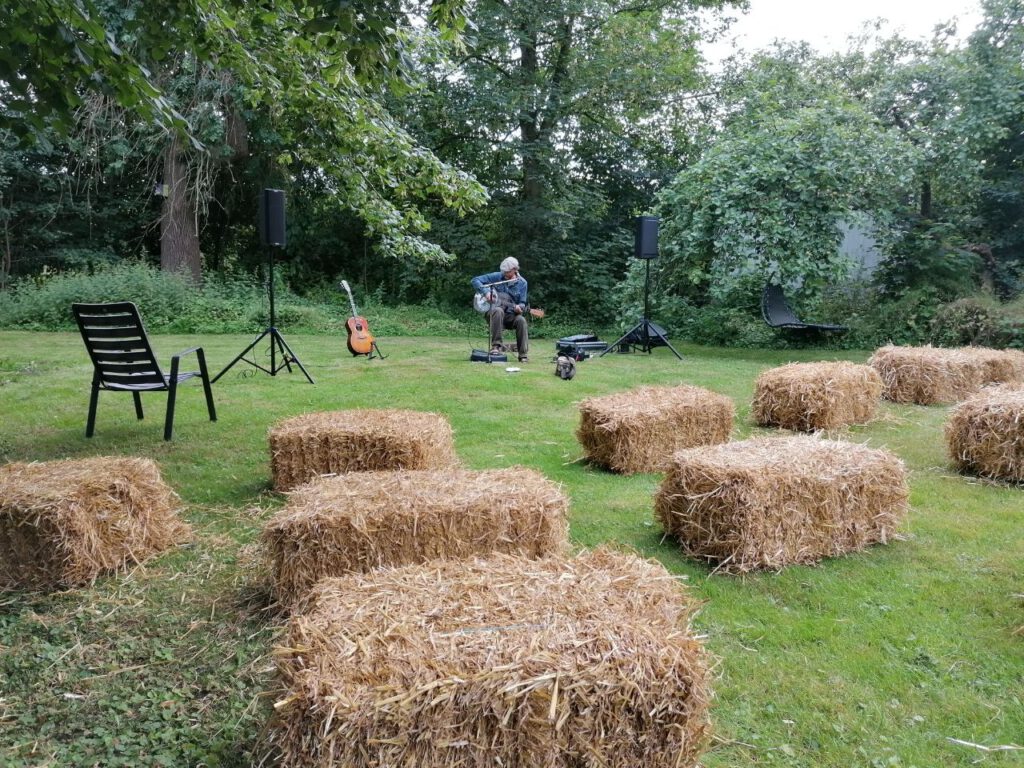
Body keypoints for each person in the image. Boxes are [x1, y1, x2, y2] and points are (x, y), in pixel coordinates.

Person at [471, 257, 529, 362]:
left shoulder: (522, 283)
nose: (504, 273)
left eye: (507, 272)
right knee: (498, 310)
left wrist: (519, 308)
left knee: (522, 320)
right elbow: (475, 280)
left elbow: (522, 303)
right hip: (494, 314)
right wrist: (487, 292)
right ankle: (496, 347)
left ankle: (523, 355)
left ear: (515, 269)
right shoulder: (497, 276)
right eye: (503, 271)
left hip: (511, 315)